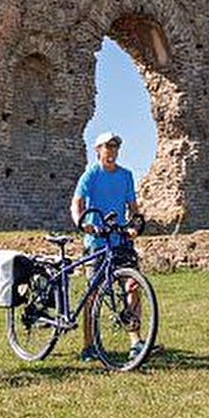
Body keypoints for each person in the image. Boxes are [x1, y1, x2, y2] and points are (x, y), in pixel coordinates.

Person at [69, 130, 144, 362]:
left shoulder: (126, 175)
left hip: (119, 239)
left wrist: (134, 224)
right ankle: (88, 345)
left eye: (115, 146)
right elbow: (77, 203)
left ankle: (136, 342)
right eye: (107, 146)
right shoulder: (91, 175)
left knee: (133, 286)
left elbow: (133, 207)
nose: (111, 150)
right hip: (97, 242)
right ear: (98, 151)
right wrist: (82, 223)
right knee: (92, 295)